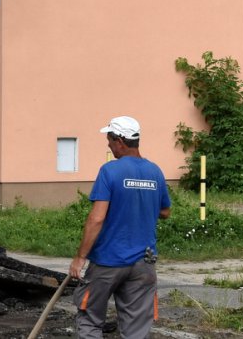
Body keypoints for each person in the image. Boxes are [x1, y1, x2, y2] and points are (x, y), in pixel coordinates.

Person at [70, 115, 171, 339]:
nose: (108, 143)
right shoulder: (155, 172)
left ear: (120, 141)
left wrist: (80, 258)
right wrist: (140, 204)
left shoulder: (110, 171)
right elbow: (165, 211)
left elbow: (97, 219)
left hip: (108, 261)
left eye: (109, 139)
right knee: (136, 328)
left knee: (90, 320)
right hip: (143, 263)